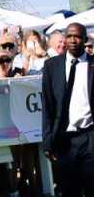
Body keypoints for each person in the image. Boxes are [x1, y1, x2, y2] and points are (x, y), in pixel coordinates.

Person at [42, 23, 94, 196]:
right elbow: (48, 105)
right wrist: (48, 140)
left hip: (90, 136)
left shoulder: (92, 64)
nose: (72, 40)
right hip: (64, 140)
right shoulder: (51, 66)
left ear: (85, 40)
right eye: (69, 36)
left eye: (77, 36)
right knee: (69, 190)